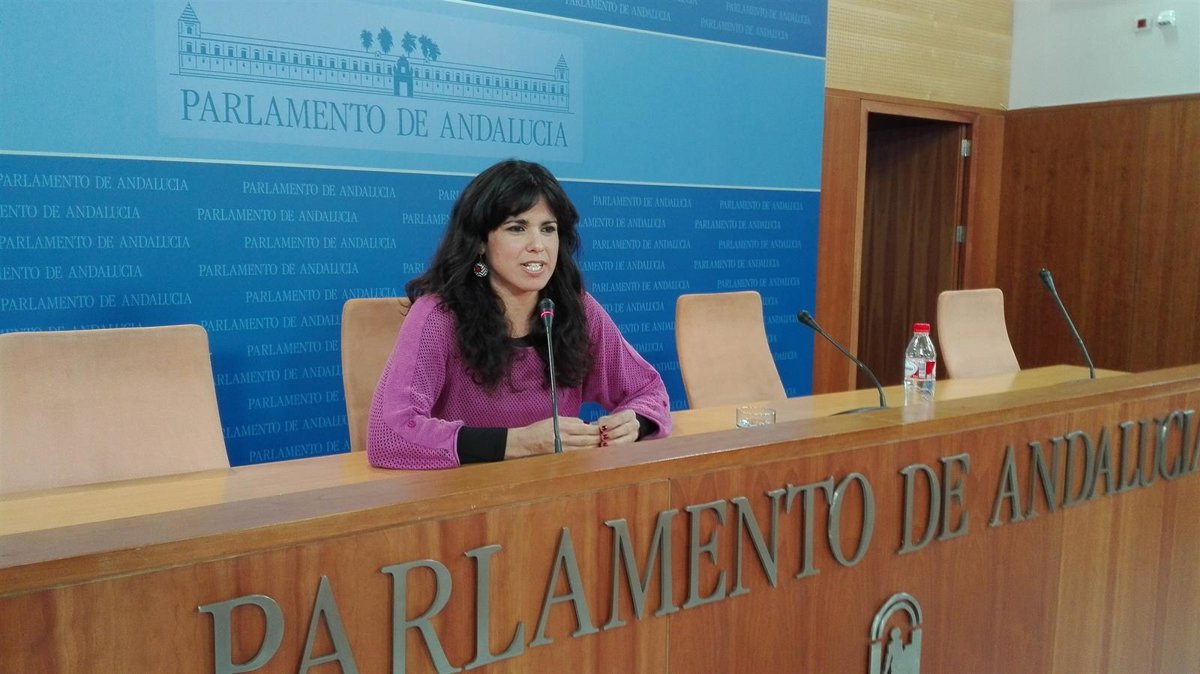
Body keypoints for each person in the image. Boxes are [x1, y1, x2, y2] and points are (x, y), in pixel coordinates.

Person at [367, 159, 672, 469]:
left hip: (555, 487)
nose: (538, 245)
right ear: (481, 241)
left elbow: (648, 390)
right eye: (517, 228)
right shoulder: (439, 316)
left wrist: (635, 423)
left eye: (548, 229)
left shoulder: (573, 307)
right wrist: (518, 443)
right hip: (466, 492)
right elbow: (389, 436)